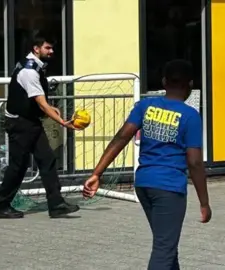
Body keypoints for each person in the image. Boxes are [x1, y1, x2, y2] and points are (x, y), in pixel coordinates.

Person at [82, 59, 212, 269]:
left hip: (143, 184)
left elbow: (121, 138)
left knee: (166, 243)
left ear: (163, 82)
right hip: (169, 187)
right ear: (190, 85)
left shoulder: (145, 106)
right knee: (164, 248)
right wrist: (204, 202)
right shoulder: (190, 116)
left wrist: (97, 173)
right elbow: (195, 162)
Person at [0, 32, 80, 219]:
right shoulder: (29, 71)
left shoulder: (35, 67)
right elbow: (40, 103)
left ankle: (56, 204)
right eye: (47, 48)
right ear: (36, 48)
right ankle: (1, 206)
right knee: (18, 166)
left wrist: (51, 108)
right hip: (20, 123)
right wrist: (63, 122)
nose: (51, 51)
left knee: (47, 159)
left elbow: (39, 103)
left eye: (52, 48)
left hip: (30, 121)